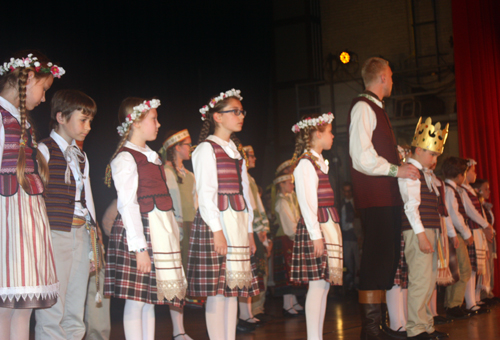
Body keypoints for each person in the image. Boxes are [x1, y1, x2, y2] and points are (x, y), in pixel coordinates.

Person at [104, 98, 189, 340]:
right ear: (137, 122)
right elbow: (128, 204)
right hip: (139, 232)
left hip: (158, 230)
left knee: (150, 298)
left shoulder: (151, 156)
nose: (158, 124)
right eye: (154, 119)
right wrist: (139, 248)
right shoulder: (126, 157)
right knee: (136, 300)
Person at [347, 57, 419, 340]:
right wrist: (396, 168)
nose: (392, 79)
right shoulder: (364, 107)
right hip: (375, 197)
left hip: (385, 197)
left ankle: (379, 326)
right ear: (382, 78)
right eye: (390, 75)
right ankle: (370, 329)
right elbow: (361, 157)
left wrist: (397, 156)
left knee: (386, 261)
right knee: (375, 261)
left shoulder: (375, 108)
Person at [0, 51, 63, 340]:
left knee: (22, 304)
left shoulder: (22, 122)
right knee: (5, 304)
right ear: (27, 80)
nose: (43, 98)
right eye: (43, 89)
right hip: (8, 216)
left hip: (26, 215)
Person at [187, 89, 259, 340]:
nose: (241, 116)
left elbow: (245, 194)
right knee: (218, 293)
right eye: (235, 111)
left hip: (237, 225)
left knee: (233, 290)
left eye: (242, 112)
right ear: (217, 117)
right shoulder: (206, 149)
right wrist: (217, 232)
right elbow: (205, 194)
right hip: (217, 224)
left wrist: (249, 232)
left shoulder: (235, 151)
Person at [35, 90, 98, 340]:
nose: (88, 127)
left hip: (81, 232)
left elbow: (87, 198)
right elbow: (37, 199)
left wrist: (94, 237)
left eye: (90, 121)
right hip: (55, 232)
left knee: (75, 304)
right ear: (61, 117)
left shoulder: (81, 156)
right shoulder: (44, 149)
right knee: (53, 304)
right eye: (83, 120)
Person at [290, 113, 342, 340]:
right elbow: (307, 203)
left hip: (327, 225)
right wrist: (316, 235)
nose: (332, 135)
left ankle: (317, 336)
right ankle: (313, 337)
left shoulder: (320, 162)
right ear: (317, 134)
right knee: (317, 284)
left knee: (324, 285)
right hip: (317, 228)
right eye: (329, 131)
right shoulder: (305, 163)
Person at [397, 117, 450, 339]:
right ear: (418, 149)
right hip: (418, 231)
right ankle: (416, 329)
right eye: (432, 154)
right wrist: (421, 236)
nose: (435, 158)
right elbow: (411, 207)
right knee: (420, 280)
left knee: (428, 282)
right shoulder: (410, 171)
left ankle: (426, 325)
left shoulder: (425, 173)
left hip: (429, 230)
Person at [237, 145, 271, 330]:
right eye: (250, 155)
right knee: (246, 271)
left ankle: (250, 312)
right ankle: (246, 314)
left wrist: (262, 226)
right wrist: (258, 227)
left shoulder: (249, 178)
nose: (254, 158)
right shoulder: (244, 178)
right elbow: (250, 204)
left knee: (253, 272)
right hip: (247, 227)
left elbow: (255, 205)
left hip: (253, 227)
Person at [460, 159, 494, 313]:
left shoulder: (470, 190)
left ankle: (474, 300)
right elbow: (471, 212)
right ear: (465, 172)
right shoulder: (462, 190)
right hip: (471, 230)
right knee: (472, 268)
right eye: (473, 171)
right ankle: (470, 303)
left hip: (477, 231)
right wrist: (486, 225)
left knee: (477, 268)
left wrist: (486, 226)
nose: (475, 174)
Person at [442, 157, 473, 320]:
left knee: (456, 270)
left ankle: (451, 304)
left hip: (453, 234)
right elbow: (453, 215)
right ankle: (454, 305)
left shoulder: (449, 188)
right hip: (455, 235)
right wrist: (467, 233)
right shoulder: (449, 190)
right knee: (464, 269)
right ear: (459, 175)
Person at [273, 164, 304, 316]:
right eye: (289, 182)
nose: (292, 185)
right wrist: (296, 236)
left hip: (291, 238)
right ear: (282, 184)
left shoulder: (290, 199)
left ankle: (293, 301)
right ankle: (287, 304)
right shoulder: (281, 202)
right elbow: (288, 225)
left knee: (293, 272)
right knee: (287, 271)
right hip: (285, 239)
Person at [472, 179, 500, 305]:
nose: (488, 191)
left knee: (488, 267)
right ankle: (479, 297)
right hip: (481, 238)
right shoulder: (477, 206)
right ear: (478, 190)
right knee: (482, 268)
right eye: (486, 188)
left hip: (488, 239)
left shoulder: (484, 206)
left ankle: (487, 293)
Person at [339, 182, 361, 291]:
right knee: (348, 263)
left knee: (359, 263)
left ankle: (358, 284)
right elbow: (342, 223)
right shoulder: (342, 205)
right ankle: (349, 285)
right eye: (345, 191)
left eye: (349, 191)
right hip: (347, 238)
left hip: (358, 238)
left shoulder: (357, 203)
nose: (347, 193)